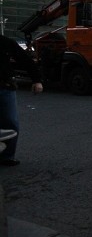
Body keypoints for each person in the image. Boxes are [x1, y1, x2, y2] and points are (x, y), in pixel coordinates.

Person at [0, 34, 44, 166]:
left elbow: (25, 60)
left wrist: (37, 80)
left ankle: (6, 156)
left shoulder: (5, 42)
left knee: (10, 123)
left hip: (4, 87)